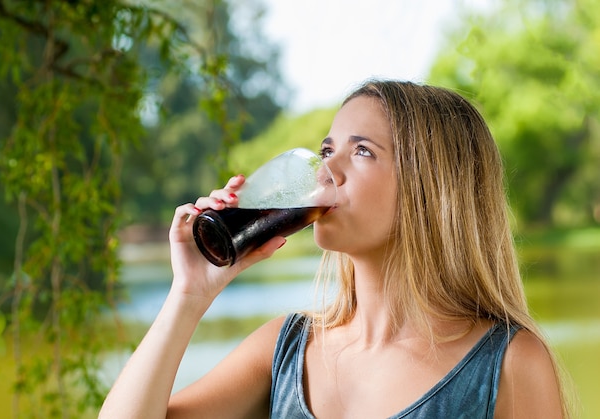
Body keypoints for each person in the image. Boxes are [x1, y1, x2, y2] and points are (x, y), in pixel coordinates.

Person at [99, 79, 571, 418]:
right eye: (327, 151)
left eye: (361, 151)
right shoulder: (284, 351)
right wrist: (188, 295)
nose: (326, 171)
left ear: (432, 188)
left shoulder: (508, 365)